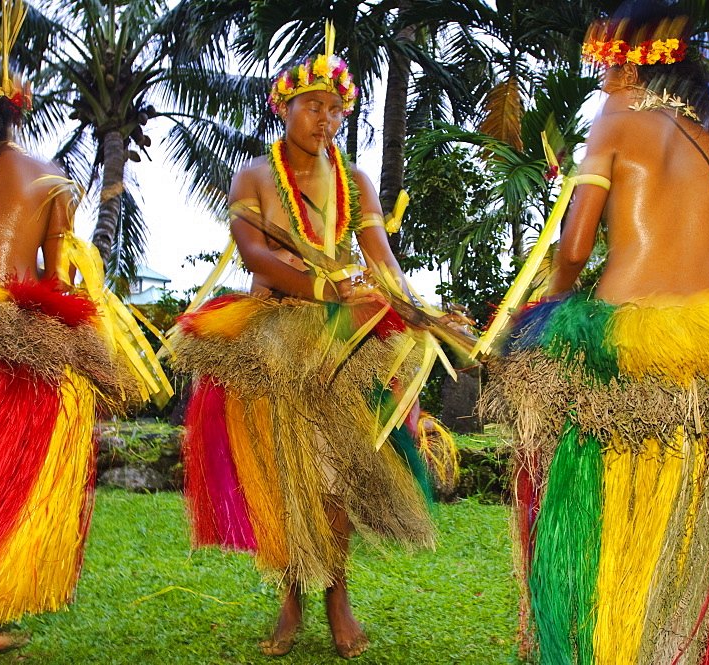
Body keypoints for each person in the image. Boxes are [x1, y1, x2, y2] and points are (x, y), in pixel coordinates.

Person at [485, 3, 709, 663]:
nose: (599, 80)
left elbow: (572, 245)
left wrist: (549, 302)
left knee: (607, 519)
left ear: (632, 63)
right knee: (693, 527)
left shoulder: (617, 121)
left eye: (605, 64)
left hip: (628, 345)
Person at [0, 3, 162, 653]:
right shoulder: (51, 179)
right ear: (17, 107)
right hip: (19, 350)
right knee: (4, 486)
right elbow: (58, 280)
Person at [173, 29, 435, 659]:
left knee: (335, 473)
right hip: (272, 332)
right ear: (281, 106)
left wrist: (412, 307)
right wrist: (321, 290)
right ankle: (292, 597)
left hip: (341, 341)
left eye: (336, 107)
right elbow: (254, 251)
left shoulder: (356, 180)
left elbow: (380, 257)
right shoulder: (255, 175)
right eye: (314, 104)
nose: (327, 117)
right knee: (286, 475)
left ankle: (337, 596)